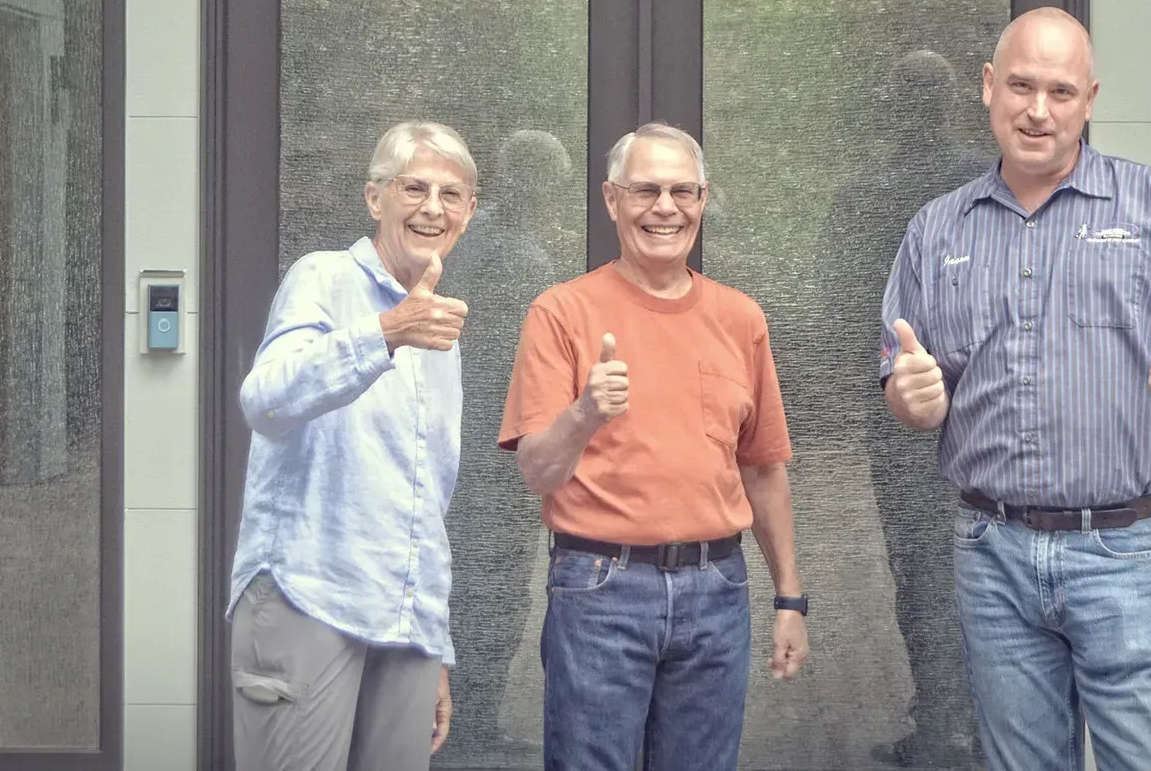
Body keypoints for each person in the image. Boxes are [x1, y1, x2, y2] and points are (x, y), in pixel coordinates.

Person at [879, 8, 1151, 771]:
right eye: (1020, 85)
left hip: (1129, 549)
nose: (1037, 109)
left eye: (1060, 90)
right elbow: (907, 384)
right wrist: (913, 397)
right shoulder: (936, 230)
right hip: (992, 551)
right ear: (989, 88)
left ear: (1089, 99)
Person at [499, 122, 811, 771]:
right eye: (645, 190)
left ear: (702, 198)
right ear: (612, 199)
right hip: (599, 591)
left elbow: (763, 470)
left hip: (716, 590)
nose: (664, 207)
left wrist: (789, 597)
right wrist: (585, 412)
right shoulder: (561, 312)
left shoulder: (740, 318)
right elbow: (536, 468)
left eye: (681, 191)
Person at [229, 121, 479, 771]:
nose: (432, 207)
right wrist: (386, 333)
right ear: (375, 199)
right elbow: (265, 400)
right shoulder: (323, 278)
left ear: (469, 211)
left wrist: (435, 642)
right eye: (413, 187)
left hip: (403, 621)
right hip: (309, 595)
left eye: (451, 194)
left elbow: (426, 500)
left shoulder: (438, 328)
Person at [841, 49, 991, 766]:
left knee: (927, 567)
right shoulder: (983, 179)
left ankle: (942, 727)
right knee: (973, 565)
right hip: (967, 412)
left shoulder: (867, 190)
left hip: (923, 414)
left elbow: (835, 298)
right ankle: (961, 727)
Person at [435, 129, 573, 762]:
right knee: (494, 585)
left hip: (451, 437)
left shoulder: (466, 239)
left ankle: (451, 715)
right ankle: (471, 724)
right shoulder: (522, 260)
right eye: (553, 185)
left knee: (459, 578)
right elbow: (528, 370)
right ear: (538, 185)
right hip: (496, 449)